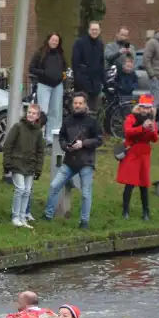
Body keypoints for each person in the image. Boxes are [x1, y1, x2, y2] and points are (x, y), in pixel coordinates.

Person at [43, 94, 102, 228]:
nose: (77, 105)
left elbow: (99, 140)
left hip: (86, 161)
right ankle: (48, 214)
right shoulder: (68, 120)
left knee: (86, 194)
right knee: (54, 186)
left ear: (85, 104)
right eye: (75, 103)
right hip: (69, 160)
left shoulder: (92, 121)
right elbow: (62, 137)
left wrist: (83, 143)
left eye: (80, 103)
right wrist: (65, 146)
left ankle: (84, 221)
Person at [116, 95, 159, 220]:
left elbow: (155, 139)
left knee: (144, 184)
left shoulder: (152, 120)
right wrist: (142, 128)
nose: (145, 110)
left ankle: (146, 212)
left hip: (144, 154)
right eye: (143, 107)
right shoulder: (130, 118)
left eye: (148, 108)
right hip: (132, 152)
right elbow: (128, 132)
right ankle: (125, 211)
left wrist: (151, 130)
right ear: (139, 107)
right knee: (129, 183)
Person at [3, 104, 45, 228]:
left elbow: (40, 151)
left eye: (33, 113)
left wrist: (38, 168)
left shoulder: (38, 132)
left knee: (27, 191)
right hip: (17, 163)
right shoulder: (18, 127)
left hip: (30, 165)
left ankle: (22, 216)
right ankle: (15, 216)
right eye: (29, 112)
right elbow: (8, 145)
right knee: (20, 189)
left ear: (37, 116)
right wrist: (7, 163)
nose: (30, 114)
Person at [29, 32, 67, 143]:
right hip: (44, 85)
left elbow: (64, 67)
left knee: (56, 112)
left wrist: (62, 76)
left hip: (57, 86)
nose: (54, 42)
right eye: (52, 40)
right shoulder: (40, 53)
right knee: (43, 111)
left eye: (56, 40)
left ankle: (52, 138)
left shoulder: (60, 54)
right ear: (48, 40)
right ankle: (39, 137)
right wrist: (44, 73)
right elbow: (31, 68)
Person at [72, 21, 106, 109]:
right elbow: (75, 63)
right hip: (83, 83)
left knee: (93, 110)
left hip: (95, 84)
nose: (94, 31)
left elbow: (101, 63)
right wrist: (79, 80)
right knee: (80, 109)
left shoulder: (100, 44)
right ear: (88, 30)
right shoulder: (80, 43)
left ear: (100, 31)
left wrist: (103, 81)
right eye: (93, 29)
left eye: (96, 29)